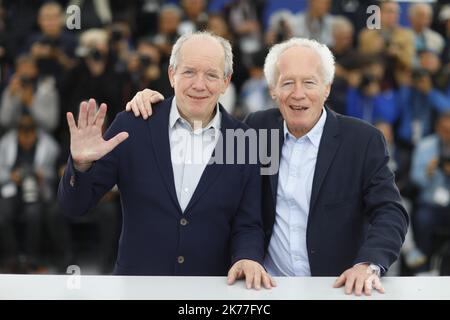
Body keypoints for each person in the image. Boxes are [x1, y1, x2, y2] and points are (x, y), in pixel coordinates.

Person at [126, 37, 409, 296]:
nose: (298, 94)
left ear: (327, 89)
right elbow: (199, 170)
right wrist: (158, 107)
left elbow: (389, 211)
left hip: (336, 286)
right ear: (273, 90)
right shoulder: (256, 130)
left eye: (309, 83)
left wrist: (368, 264)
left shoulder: (361, 140)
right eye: (287, 83)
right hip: (263, 288)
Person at [58, 31, 275, 290]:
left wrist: (248, 257)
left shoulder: (245, 140)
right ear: (172, 75)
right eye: (189, 72)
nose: (199, 84)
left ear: (226, 81)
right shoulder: (132, 125)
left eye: (211, 75)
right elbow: (74, 206)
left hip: (209, 291)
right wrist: (81, 165)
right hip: (136, 288)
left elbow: (248, 222)